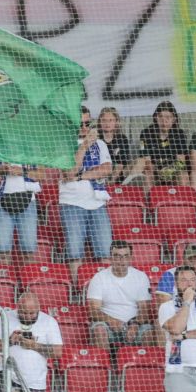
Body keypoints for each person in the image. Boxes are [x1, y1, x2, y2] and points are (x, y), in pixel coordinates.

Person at [62, 107, 113, 283]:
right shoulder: (63, 143)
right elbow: (69, 172)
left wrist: (80, 176)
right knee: (75, 252)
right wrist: (84, 146)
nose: (84, 127)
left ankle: (106, 289)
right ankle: (77, 289)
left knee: (105, 252)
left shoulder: (100, 144)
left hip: (97, 202)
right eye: (80, 124)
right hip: (72, 203)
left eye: (87, 123)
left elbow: (107, 169)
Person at [0, 291, 61, 392]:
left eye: (32, 313)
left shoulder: (49, 322)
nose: (27, 316)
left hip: (35, 381)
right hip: (6, 375)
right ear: (17, 308)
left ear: (38, 308)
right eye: (23, 313)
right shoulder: (4, 317)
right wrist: (9, 341)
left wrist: (34, 345)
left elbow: (57, 352)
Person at [86, 241, 152, 351]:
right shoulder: (99, 278)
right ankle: (105, 362)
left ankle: (144, 362)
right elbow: (93, 311)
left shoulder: (141, 277)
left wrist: (135, 324)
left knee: (148, 333)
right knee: (99, 330)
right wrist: (111, 321)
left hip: (134, 323)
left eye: (125, 256)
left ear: (130, 258)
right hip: (107, 324)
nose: (121, 260)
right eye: (117, 256)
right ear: (110, 258)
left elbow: (145, 310)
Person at [0, 162, 41, 266]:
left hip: (28, 201)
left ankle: (27, 277)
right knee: (3, 252)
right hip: (0, 201)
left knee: (29, 251)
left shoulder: (31, 151)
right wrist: (0, 170)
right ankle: (3, 276)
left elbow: (43, 175)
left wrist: (23, 171)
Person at [125, 101, 187, 189]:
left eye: (168, 117)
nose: (164, 120)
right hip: (154, 171)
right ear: (155, 118)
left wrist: (169, 170)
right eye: (160, 116)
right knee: (146, 172)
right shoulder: (146, 133)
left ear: (174, 119)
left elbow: (181, 161)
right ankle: (131, 189)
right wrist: (158, 172)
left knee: (183, 175)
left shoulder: (180, 134)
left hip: (172, 172)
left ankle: (184, 198)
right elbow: (146, 160)